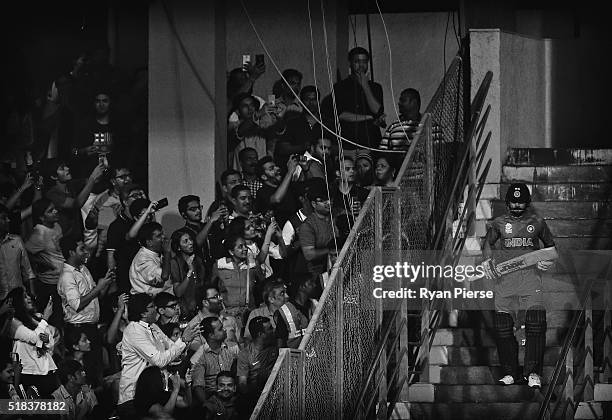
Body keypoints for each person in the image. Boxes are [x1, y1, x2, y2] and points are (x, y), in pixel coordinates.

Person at [483, 183, 556, 389]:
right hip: (505, 281)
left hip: (530, 279)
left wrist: (548, 261)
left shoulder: (537, 222)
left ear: (528, 202)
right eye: (513, 201)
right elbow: (487, 244)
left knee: (535, 322)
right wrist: (487, 260)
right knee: (503, 326)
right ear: (507, 202)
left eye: (521, 201)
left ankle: (533, 373)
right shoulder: (498, 223)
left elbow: (551, 248)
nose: (517, 205)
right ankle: (510, 372)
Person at [117, 293, 199, 418]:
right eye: (152, 307)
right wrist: (182, 340)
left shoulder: (154, 327)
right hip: (134, 395)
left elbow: (174, 352)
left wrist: (186, 340)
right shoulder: (134, 330)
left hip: (157, 390)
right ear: (143, 313)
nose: (156, 309)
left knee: (189, 407)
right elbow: (159, 360)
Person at [58, 235, 114, 387]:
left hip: (90, 327)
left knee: (97, 369)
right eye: (81, 249)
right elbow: (77, 304)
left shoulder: (83, 269)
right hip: (80, 329)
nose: (86, 252)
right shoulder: (67, 277)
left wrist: (106, 282)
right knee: (86, 373)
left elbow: (96, 295)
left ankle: (98, 402)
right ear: (71, 252)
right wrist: (99, 287)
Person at [330, 47, 385, 150]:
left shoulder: (376, 87)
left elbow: (377, 111)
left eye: (364, 62)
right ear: (350, 63)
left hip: (371, 140)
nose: (361, 66)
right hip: (348, 140)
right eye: (357, 62)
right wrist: (369, 117)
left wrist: (365, 86)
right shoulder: (340, 87)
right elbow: (341, 114)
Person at [6, 287, 57, 397]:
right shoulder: (14, 322)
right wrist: (45, 319)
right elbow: (34, 338)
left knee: (50, 409)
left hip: (46, 369)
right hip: (29, 372)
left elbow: (50, 342)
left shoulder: (36, 317)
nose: (29, 298)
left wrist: (47, 340)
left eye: (28, 295)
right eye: (24, 296)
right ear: (18, 301)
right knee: (33, 410)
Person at [41, 158, 105, 238]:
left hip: (76, 236)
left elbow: (93, 182)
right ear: (54, 177)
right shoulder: (52, 194)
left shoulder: (71, 184)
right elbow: (76, 204)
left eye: (66, 166)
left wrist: (102, 167)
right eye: (62, 168)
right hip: (62, 238)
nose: (67, 168)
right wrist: (93, 178)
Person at [25, 198, 65, 327]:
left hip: (61, 279)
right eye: (50, 211)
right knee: (54, 319)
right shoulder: (39, 234)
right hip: (49, 284)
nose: (55, 211)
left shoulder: (56, 226)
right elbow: (24, 254)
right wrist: (43, 263)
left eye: (54, 208)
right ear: (42, 217)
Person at [106, 186, 148, 293]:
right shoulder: (117, 226)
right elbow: (111, 256)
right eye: (135, 196)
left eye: (141, 194)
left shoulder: (145, 220)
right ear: (125, 202)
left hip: (144, 274)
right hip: (126, 274)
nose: (140, 198)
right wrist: (113, 282)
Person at [192, 317, 238, 406]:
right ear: (211, 335)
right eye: (220, 329)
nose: (225, 330)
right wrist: (208, 405)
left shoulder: (231, 349)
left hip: (231, 394)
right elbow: (198, 387)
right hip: (212, 398)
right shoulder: (199, 357)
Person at [237, 316, 278, 405]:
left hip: (277, 392)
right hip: (256, 397)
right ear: (260, 334)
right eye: (270, 328)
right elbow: (242, 383)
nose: (274, 330)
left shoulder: (276, 347)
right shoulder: (245, 354)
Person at [188, 286, 241, 354]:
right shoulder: (193, 327)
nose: (221, 298)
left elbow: (241, 345)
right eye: (216, 297)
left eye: (219, 296)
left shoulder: (230, 320)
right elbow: (198, 355)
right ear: (205, 302)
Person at [299, 182, 336, 279]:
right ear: (314, 204)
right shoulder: (308, 226)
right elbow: (309, 254)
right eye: (323, 200)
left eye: (329, 199)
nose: (328, 203)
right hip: (318, 273)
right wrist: (332, 251)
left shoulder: (339, 214)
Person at [168, 228, 206, 319]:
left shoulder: (198, 260)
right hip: (184, 310)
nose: (190, 243)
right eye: (185, 241)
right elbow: (178, 292)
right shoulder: (175, 262)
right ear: (178, 247)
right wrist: (189, 272)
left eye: (191, 239)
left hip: (200, 308)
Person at [0, 203, 36, 300]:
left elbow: (28, 272)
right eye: (3, 218)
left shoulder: (16, 241)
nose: (8, 220)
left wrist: (32, 296)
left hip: (19, 299)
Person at [129, 222, 174, 296]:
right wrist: (167, 253)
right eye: (159, 236)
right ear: (149, 242)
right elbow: (163, 277)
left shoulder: (157, 252)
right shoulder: (142, 259)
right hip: (147, 302)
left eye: (163, 234)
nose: (163, 237)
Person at [274, 274, 318, 349]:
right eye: (311, 283)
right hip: (295, 356)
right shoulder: (285, 311)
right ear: (302, 287)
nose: (315, 285)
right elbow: (280, 343)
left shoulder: (316, 305)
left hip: (316, 354)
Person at [255, 156, 299, 227]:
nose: (277, 169)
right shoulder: (262, 192)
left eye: (276, 166)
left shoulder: (287, 186)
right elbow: (277, 199)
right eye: (272, 168)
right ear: (264, 177)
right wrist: (290, 171)